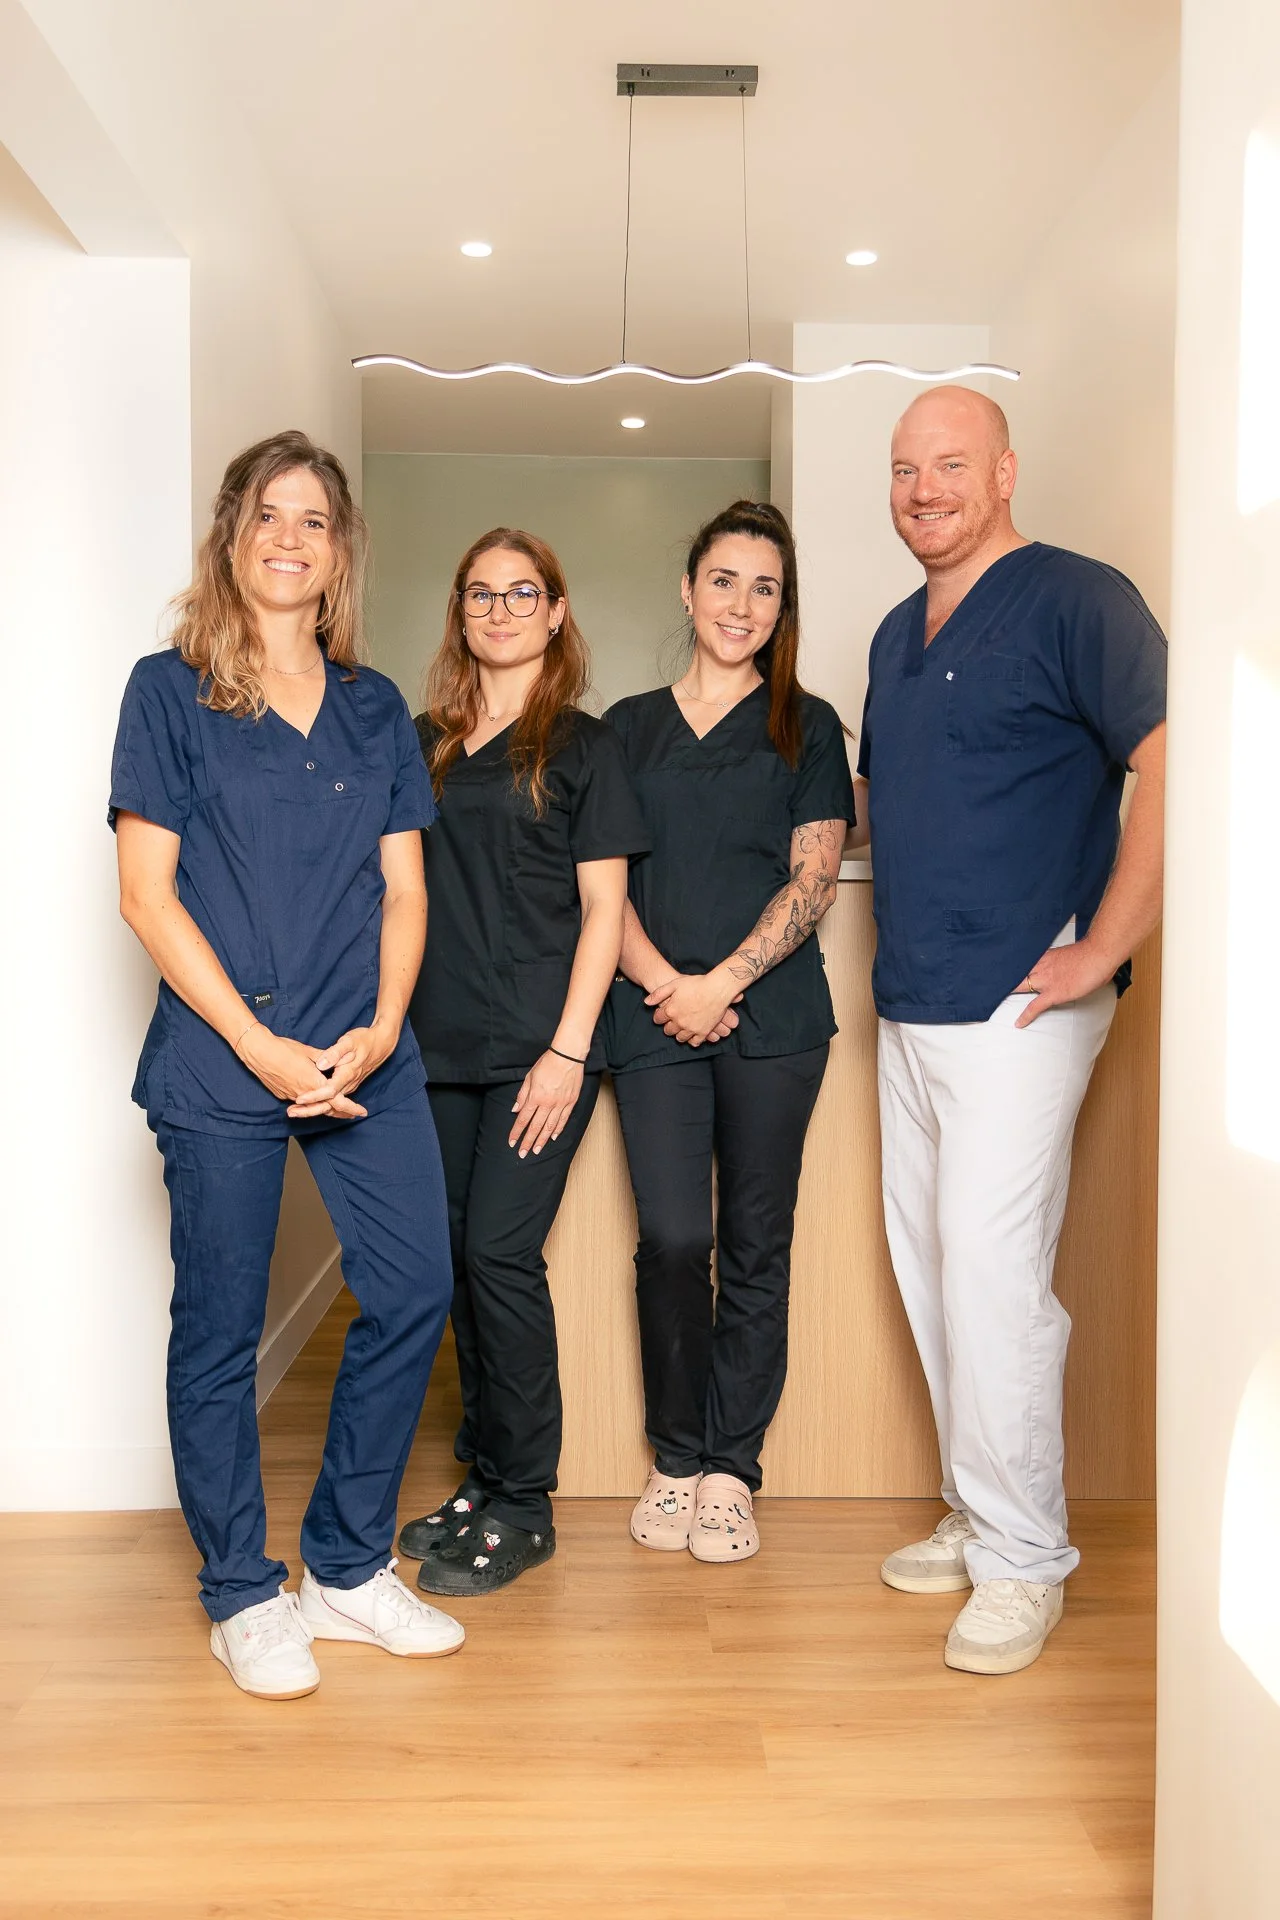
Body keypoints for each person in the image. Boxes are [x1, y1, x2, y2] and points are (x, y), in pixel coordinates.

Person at [111, 430, 464, 1700]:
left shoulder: (371, 707)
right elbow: (147, 897)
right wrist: (259, 1048)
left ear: (338, 551)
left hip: (364, 1051)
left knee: (414, 1288)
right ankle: (241, 1593)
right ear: (232, 535)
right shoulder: (169, 692)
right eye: (269, 513)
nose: (289, 538)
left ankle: (346, 1568)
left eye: (314, 520)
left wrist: (379, 1023)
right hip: (224, 1063)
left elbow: (404, 889)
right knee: (219, 1330)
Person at [856, 386, 1167, 1675]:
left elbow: (1169, 758)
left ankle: (1026, 1556)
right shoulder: (893, 631)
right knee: (933, 1273)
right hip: (908, 1001)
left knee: (992, 1280)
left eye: (948, 464)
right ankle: (979, 1512)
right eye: (902, 469)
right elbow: (890, 798)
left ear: (1002, 473)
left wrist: (1104, 944)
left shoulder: (1078, 599)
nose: (922, 489)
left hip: (1020, 1003)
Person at [397, 529, 649, 1596]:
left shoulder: (585, 746)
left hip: (540, 1049)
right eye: (480, 594)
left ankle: (525, 1503)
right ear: (459, 613)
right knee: (456, 1261)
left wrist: (566, 1051)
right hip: (435, 1043)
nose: (500, 610)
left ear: (556, 611)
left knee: (500, 1255)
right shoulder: (423, 743)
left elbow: (605, 912)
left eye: (521, 593)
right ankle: (486, 1471)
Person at [604, 499, 854, 1563]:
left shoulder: (808, 724)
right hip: (651, 1013)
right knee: (672, 1239)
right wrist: (672, 984)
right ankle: (674, 1455)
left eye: (764, 587)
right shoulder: (624, 729)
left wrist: (726, 981)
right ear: (687, 589)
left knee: (757, 1243)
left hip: (773, 1022)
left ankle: (728, 1471)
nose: (741, 605)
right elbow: (600, 884)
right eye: (723, 580)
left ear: (781, 606)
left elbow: (814, 879)